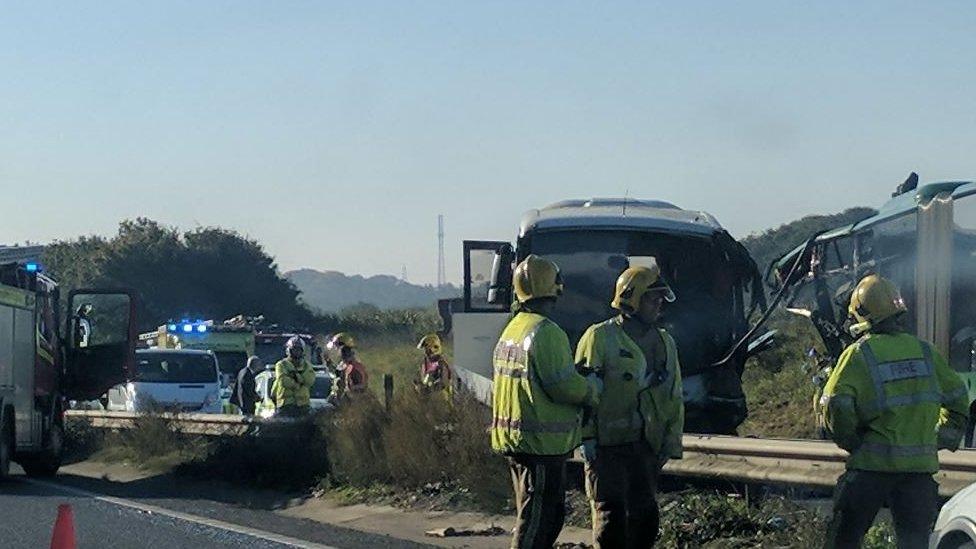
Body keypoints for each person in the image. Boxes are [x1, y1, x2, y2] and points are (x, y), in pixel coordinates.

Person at [820, 274, 970, 548]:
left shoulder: (858, 355)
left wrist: (849, 440)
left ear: (862, 315)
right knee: (914, 543)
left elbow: (835, 404)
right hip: (918, 474)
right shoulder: (925, 351)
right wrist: (940, 438)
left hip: (870, 470)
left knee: (844, 539)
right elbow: (959, 400)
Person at [491, 254, 602, 549]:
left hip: (516, 441)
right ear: (555, 288)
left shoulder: (513, 328)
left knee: (539, 516)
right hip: (541, 446)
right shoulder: (547, 331)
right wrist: (592, 387)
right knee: (539, 521)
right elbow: (563, 387)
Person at [576, 263, 684, 548]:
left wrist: (669, 442)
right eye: (652, 298)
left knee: (645, 519)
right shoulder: (599, 338)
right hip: (606, 447)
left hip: (645, 446)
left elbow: (673, 396)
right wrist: (586, 438)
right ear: (631, 299)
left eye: (661, 298)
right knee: (611, 520)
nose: (659, 304)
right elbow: (584, 392)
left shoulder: (665, 343)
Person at [273, 336, 316, 417]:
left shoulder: (307, 365)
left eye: (299, 349)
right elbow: (284, 382)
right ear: (288, 350)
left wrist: (294, 375)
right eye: (294, 349)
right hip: (286, 405)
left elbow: (310, 381)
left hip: (303, 405)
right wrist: (299, 383)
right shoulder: (282, 364)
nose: (296, 352)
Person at [327, 332, 368, 397]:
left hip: (352, 403)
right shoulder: (343, 364)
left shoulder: (355, 366)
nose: (336, 350)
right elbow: (337, 374)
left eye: (336, 347)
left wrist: (349, 390)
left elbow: (362, 386)